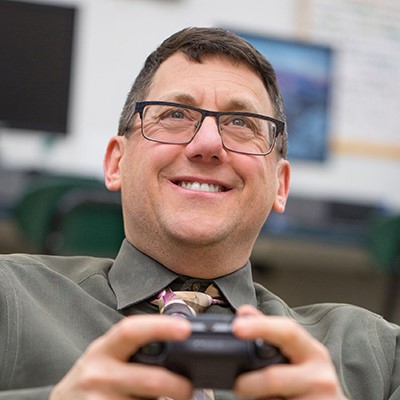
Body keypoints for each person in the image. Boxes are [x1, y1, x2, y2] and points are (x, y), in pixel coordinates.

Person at [0, 27, 399, 400]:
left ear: (280, 185)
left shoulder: (378, 355)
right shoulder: (9, 296)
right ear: (116, 163)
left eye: (241, 122)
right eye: (174, 114)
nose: (207, 144)